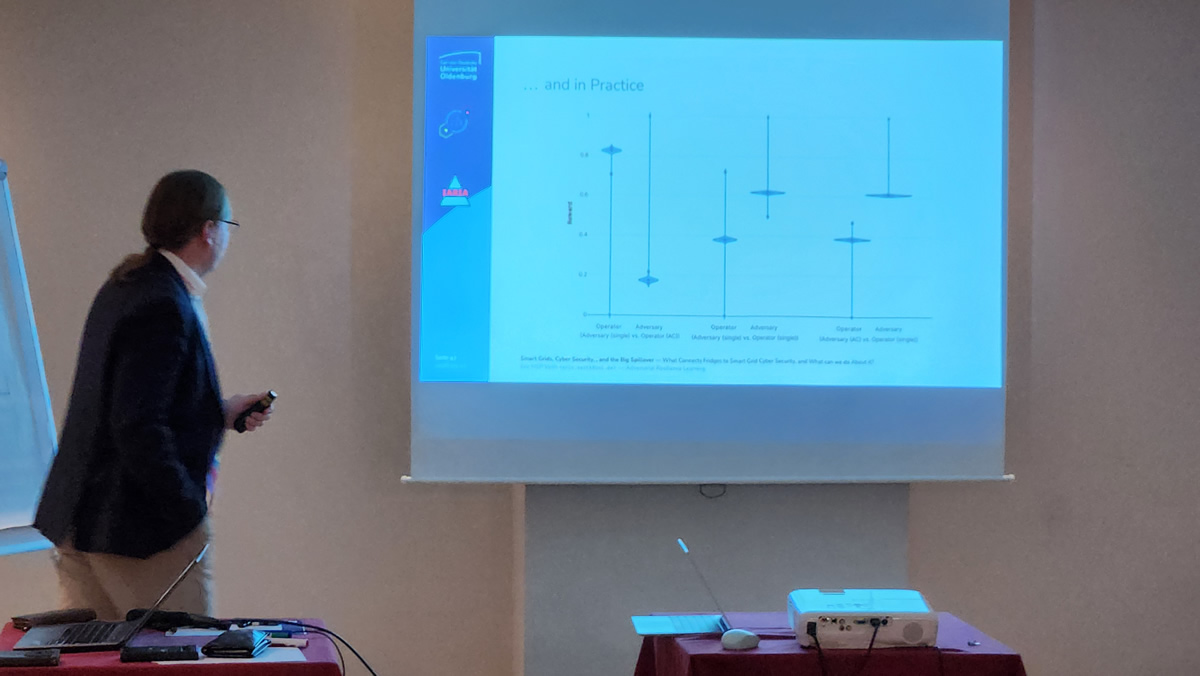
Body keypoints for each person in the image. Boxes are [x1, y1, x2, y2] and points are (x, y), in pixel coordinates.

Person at [33, 170, 272, 620]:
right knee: (178, 651)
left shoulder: (125, 284)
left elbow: (125, 404)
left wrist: (217, 412)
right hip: (136, 532)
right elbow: (137, 426)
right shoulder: (164, 302)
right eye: (229, 226)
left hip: (82, 517)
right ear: (209, 230)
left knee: (92, 656)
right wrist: (188, 512)